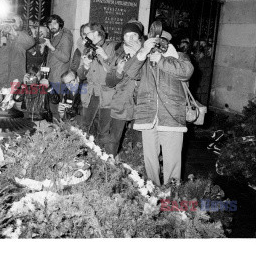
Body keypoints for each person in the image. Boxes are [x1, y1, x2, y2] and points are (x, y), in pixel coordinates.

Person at [126, 21, 194, 186]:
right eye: (155, 42)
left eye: (162, 42)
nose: (159, 45)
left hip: (171, 117)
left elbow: (186, 72)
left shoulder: (179, 56)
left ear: (168, 43)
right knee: (150, 159)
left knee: (172, 161)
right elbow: (130, 72)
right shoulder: (145, 59)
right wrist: (143, 52)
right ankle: (152, 191)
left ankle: (172, 196)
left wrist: (162, 60)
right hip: (148, 117)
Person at [105, 21, 144, 157]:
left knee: (140, 141)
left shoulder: (147, 54)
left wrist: (141, 52)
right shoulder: (117, 54)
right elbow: (109, 82)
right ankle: (109, 168)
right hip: (121, 102)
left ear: (139, 37)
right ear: (123, 38)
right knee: (113, 139)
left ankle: (138, 170)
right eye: (128, 35)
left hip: (142, 104)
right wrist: (118, 72)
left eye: (134, 35)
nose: (131, 38)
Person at [77, 22, 116, 146]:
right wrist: (86, 66)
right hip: (90, 93)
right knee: (84, 128)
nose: (84, 36)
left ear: (95, 33)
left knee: (103, 131)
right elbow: (80, 75)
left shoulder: (112, 47)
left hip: (106, 95)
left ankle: (103, 161)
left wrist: (104, 57)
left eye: (86, 33)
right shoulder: (86, 49)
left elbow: (117, 73)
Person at [0, 14, 35, 88]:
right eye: (10, 21)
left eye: (14, 21)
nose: (12, 23)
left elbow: (31, 42)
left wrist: (13, 32)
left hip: (16, 79)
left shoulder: (22, 36)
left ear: (20, 24)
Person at [44, 14, 73, 120]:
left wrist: (51, 47)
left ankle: (60, 133)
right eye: (50, 23)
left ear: (60, 24)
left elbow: (65, 57)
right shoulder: (55, 36)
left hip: (59, 79)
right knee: (53, 108)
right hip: (52, 77)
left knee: (58, 110)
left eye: (55, 23)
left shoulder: (65, 36)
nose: (52, 25)